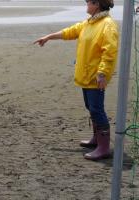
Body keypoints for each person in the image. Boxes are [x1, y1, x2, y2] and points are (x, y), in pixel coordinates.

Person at [34, 0, 119, 160]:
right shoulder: (89, 23)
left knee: (97, 109)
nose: (86, 5)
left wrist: (102, 73)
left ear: (97, 4)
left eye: (88, 2)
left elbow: (110, 51)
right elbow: (70, 32)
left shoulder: (108, 24)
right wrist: (48, 37)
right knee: (90, 107)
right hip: (85, 75)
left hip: (95, 77)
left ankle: (104, 147)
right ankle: (96, 139)